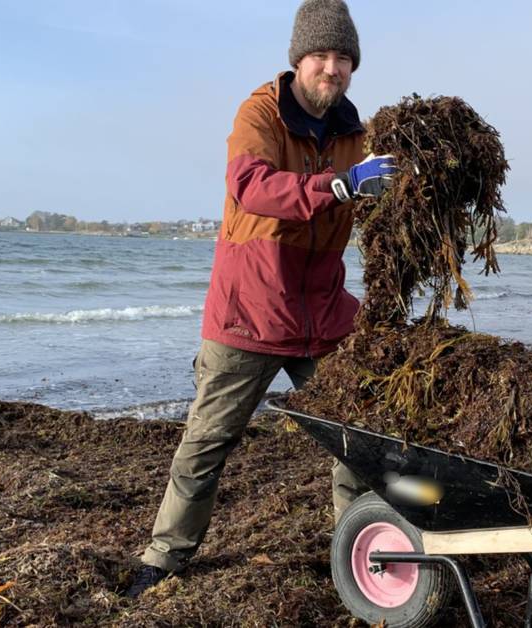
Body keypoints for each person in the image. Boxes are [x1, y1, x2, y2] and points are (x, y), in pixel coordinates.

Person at [127, 0, 391, 598]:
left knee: (355, 439)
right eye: (321, 56)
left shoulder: (359, 133)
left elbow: (384, 199)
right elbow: (250, 187)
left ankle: (354, 551)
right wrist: (341, 184)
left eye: (344, 58)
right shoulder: (260, 113)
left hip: (322, 313)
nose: (332, 68)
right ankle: (165, 556)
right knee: (207, 441)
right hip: (247, 311)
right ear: (298, 59)